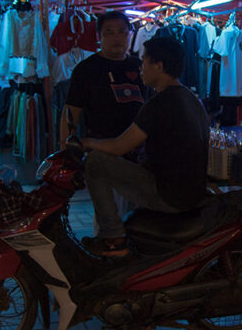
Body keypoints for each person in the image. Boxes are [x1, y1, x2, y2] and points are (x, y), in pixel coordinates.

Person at [81, 37, 209, 257]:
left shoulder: (160, 103)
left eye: (144, 62)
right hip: (192, 192)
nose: (140, 68)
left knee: (94, 163)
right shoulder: (191, 99)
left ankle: (113, 238)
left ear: (159, 66)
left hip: (168, 195)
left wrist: (86, 143)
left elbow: (118, 147)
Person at [60, 11, 145, 148]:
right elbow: (71, 112)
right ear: (99, 36)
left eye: (122, 31)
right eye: (109, 33)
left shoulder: (141, 67)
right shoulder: (86, 69)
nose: (117, 38)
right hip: (99, 151)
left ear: (130, 34)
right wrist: (65, 148)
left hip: (138, 151)